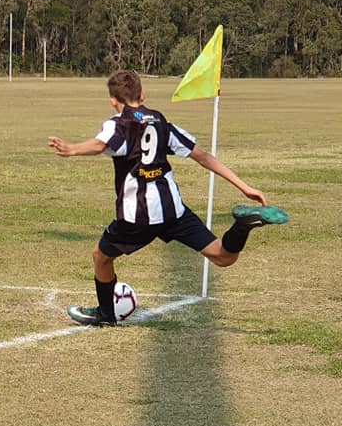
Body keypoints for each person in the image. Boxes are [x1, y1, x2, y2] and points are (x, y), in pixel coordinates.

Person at [48, 69, 289, 326]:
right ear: (142, 94)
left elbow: (101, 143)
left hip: (138, 216)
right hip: (172, 209)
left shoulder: (118, 123)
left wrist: (71, 149)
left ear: (112, 100)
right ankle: (241, 226)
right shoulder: (161, 122)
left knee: (101, 256)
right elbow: (203, 156)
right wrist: (245, 187)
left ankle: (106, 314)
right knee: (223, 256)